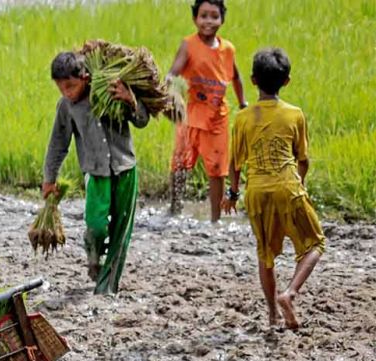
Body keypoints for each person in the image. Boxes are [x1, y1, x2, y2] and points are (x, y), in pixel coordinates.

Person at [229, 48, 324, 330]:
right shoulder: (295, 115)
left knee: (265, 255)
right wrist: (300, 185)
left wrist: (232, 193)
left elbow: (234, 164)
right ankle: (290, 293)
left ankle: (272, 315)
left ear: (253, 81)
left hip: (256, 192)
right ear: (287, 81)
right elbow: (303, 160)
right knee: (316, 243)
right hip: (287, 186)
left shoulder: (243, 117)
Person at [43, 51, 150, 295]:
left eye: (71, 86)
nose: (67, 93)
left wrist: (130, 99)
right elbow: (58, 144)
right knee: (95, 227)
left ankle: (107, 287)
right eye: (61, 89)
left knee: (121, 232)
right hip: (96, 172)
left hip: (125, 168)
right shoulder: (67, 107)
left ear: (86, 77)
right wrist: (49, 179)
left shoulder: (111, 92)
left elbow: (142, 120)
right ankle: (93, 255)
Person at [166, 0, 247, 220]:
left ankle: (215, 219)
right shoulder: (188, 45)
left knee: (217, 170)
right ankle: (174, 209)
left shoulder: (227, 49)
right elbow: (174, 71)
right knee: (180, 164)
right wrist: (168, 85)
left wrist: (243, 103)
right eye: (203, 16)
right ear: (195, 19)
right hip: (190, 115)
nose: (208, 21)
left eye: (214, 16)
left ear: (222, 19)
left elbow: (237, 77)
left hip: (216, 119)